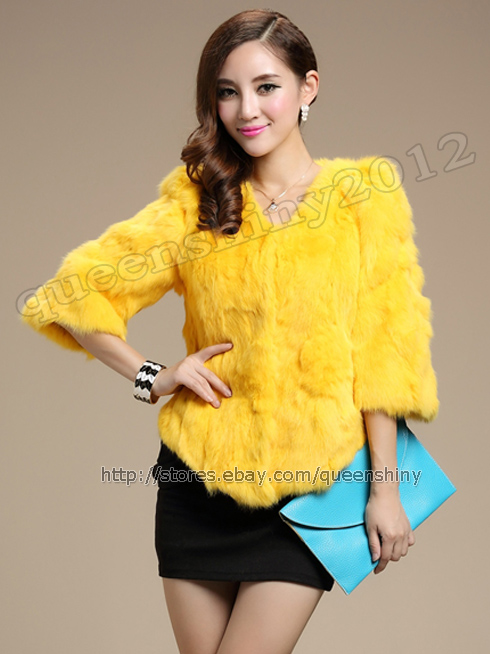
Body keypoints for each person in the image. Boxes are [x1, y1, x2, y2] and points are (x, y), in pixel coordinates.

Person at [19, 8, 439, 654]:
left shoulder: (365, 198)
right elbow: (74, 293)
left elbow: (386, 350)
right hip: (197, 483)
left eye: (267, 86)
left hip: (311, 492)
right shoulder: (197, 202)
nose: (247, 109)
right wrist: (153, 375)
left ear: (308, 87)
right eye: (227, 91)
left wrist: (384, 490)